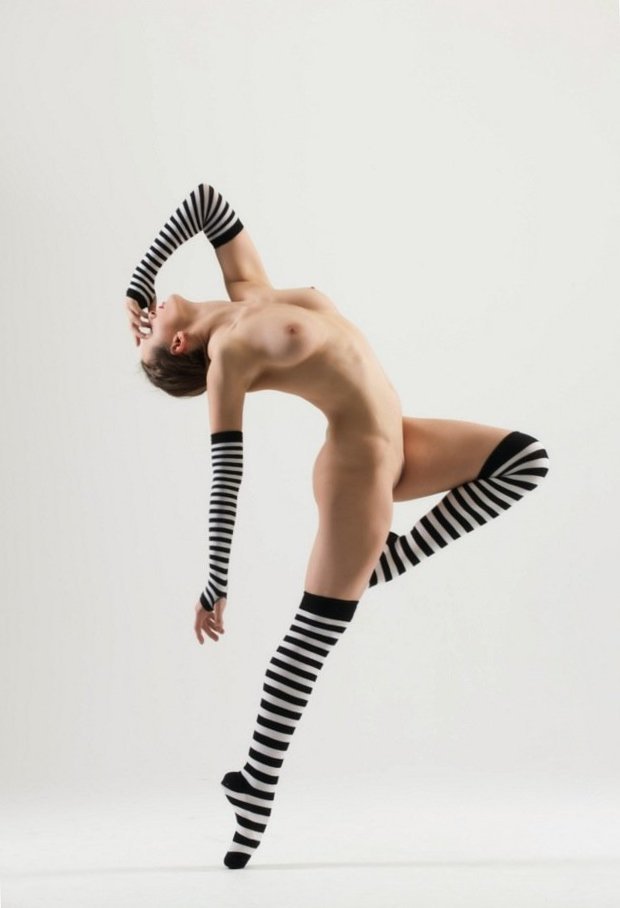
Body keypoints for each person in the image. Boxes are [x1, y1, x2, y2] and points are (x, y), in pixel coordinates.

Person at [124, 182, 551, 869]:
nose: (143, 323)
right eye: (147, 337)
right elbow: (227, 474)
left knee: (524, 459)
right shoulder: (229, 354)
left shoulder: (249, 292)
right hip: (357, 471)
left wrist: (139, 281)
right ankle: (256, 789)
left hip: (403, 439)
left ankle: (390, 560)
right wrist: (215, 579)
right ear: (179, 342)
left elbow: (206, 203)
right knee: (312, 638)